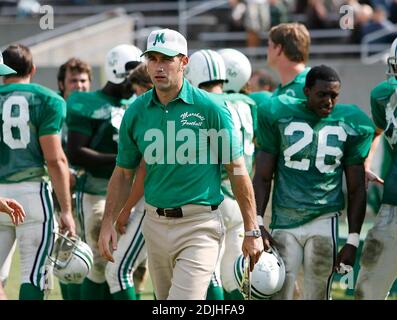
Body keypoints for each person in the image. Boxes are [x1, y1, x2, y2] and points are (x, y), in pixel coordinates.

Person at [98, 28, 264, 300]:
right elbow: (124, 172)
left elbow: (236, 170)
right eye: (152, 59)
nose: (158, 66)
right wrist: (108, 222)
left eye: (166, 59)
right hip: (154, 222)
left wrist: (252, 229)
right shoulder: (136, 111)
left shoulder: (210, 108)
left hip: (200, 224)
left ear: (184, 62)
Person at [253, 65, 375, 300]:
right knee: (278, 291)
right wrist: (257, 223)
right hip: (284, 218)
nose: (329, 101)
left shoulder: (352, 122)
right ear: (307, 91)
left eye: (334, 95)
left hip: (324, 217)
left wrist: (351, 240)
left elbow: (357, 187)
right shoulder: (278, 112)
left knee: (317, 294)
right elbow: (263, 175)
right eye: (322, 94)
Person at [66, 44, 142, 300]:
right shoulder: (87, 102)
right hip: (97, 192)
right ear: (116, 71)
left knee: (134, 267)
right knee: (99, 263)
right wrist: (126, 161)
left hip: (137, 196)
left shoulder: (140, 102)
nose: (135, 80)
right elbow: (76, 152)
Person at [0, 44, 75, 300]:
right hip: (32, 194)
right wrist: (66, 210)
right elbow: (54, 160)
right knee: (33, 275)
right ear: (32, 69)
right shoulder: (48, 99)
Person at [102, 63, 152, 300]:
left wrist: (126, 208)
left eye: (137, 91)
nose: (136, 97)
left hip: (152, 203)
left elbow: (143, 169)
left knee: (118, 271)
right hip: (204, 202)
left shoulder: (149, 113)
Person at [354, 37, 397, 300]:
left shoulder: (385, 93)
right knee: (368, 289)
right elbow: (377, 131)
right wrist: (365, 163)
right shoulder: (384, 96)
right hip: (393, 206)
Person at [56, 57, 92, 300]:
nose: (79, 85)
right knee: (66, 259)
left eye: (83, 81)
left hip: (92, 193)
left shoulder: (96, 110)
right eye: (73, 81)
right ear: (62, 84)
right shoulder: (54, 109)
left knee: (96, 262)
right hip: (61, 196)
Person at [267, 22, 311, 99]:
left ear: (278, 49)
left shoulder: (313, 85)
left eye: (269, 45)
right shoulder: (277, 93)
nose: (267, 50)